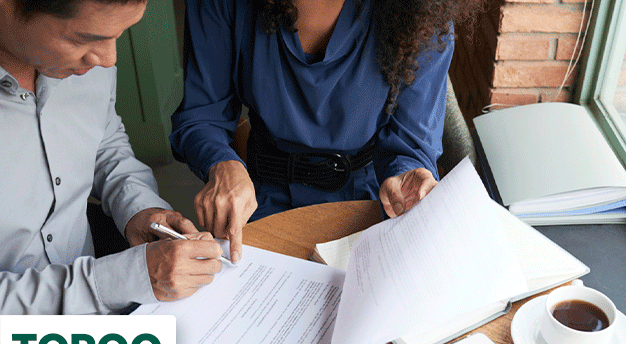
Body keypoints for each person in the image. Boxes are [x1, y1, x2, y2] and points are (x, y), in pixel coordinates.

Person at [170, 0, 482, 264]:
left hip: (372, 204)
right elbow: (202, 115)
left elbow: (412, 142)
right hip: (264, 198)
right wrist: (222, 163)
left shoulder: (423, 12)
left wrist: (409, 174)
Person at [0, 0, 224, 315]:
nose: (108, 60)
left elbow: (105, 145)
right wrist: (114, 282)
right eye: (85, 38)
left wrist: (140, 209)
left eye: (119, 34)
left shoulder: (85, 67)